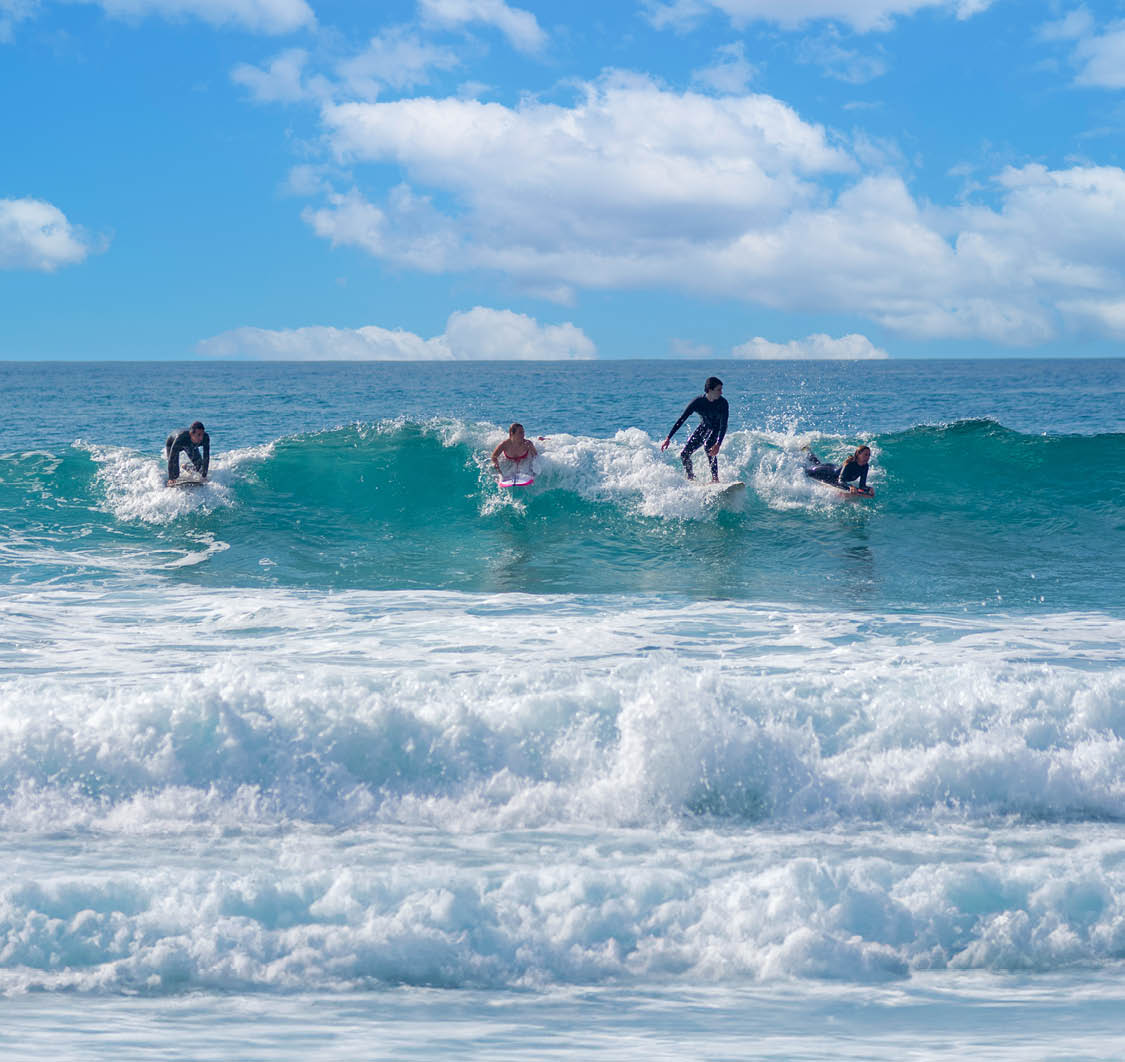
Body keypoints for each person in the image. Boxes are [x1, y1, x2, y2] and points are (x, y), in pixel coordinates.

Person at [660, 376, 729, 482]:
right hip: (704, 426)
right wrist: (668, 438)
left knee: (708, 447)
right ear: (710, 390)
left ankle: (715, 478)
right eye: (719, 390)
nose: (721, 392)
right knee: (684, 454)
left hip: (717, 428)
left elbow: (724, 425)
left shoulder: (723, 403)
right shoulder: (698, 402)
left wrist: (718, 444)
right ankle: (690, 477)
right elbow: (682, 419)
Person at [804, 445, 872, 495]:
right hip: (827, 471)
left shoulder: (865, 466)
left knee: (818, 464)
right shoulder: (849, 464)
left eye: (869, 455)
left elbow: (862, 485)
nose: (868, 457)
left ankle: (808, 451)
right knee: (808, 471)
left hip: (833, 474)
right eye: (865, 455)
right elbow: (840, 481)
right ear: (858, 454)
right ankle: (805, 452)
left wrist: (868, 489)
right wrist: (850, 486)